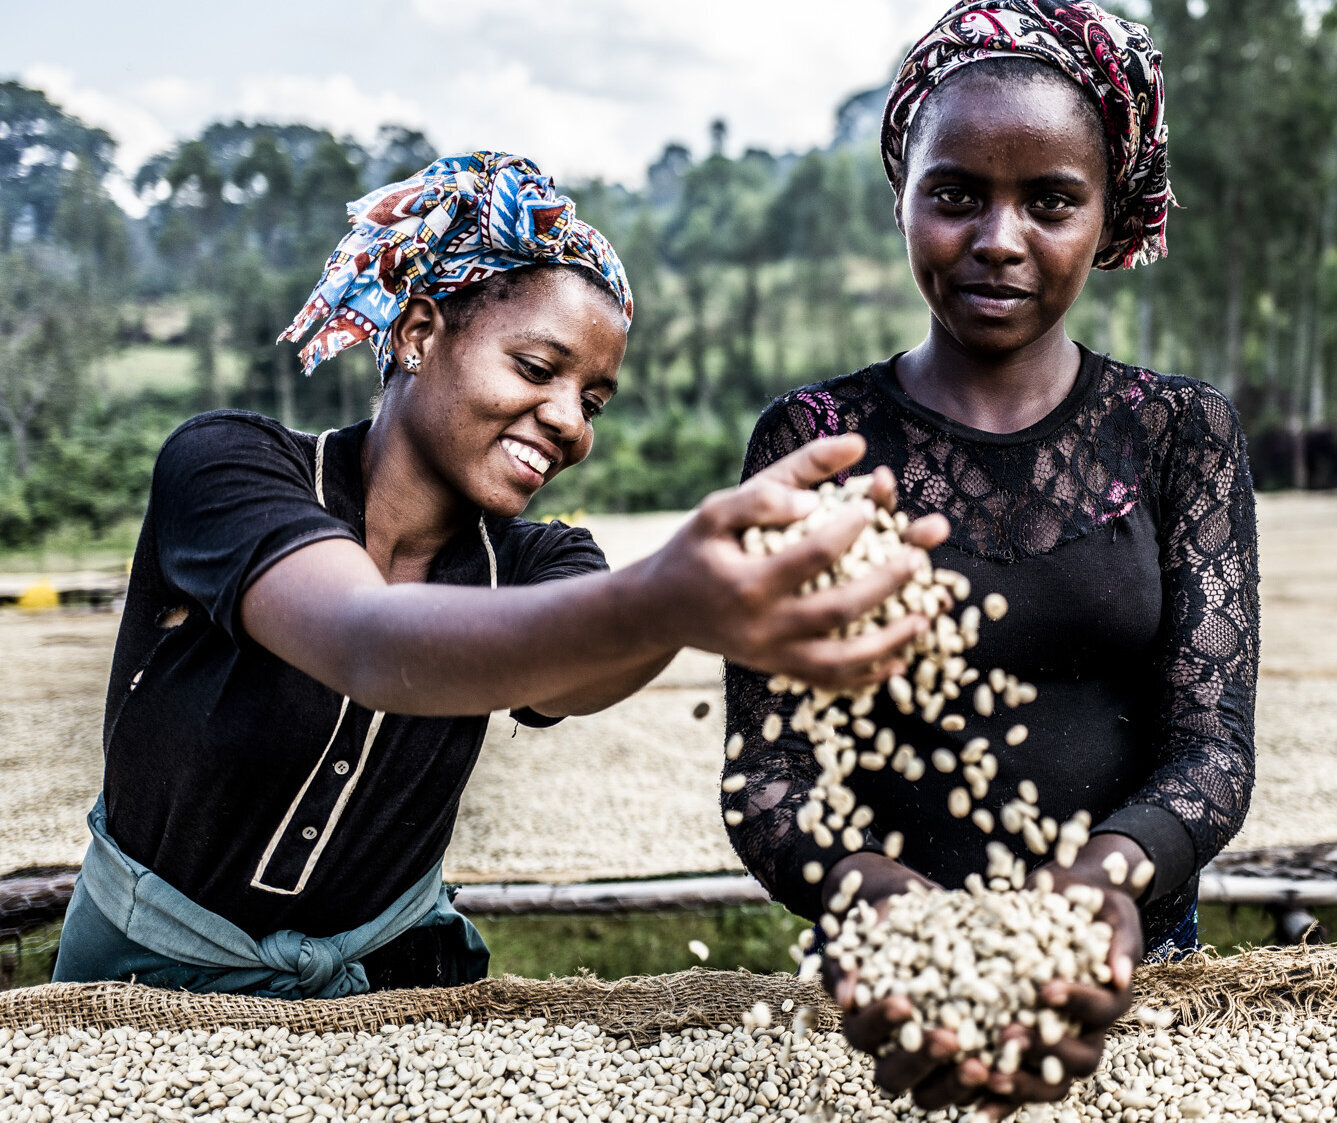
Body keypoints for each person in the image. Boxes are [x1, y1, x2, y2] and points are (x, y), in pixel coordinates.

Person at [54, 152, 946, 999]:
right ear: (416, 333)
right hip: (141, 976)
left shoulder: (536, 561)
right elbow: (365, 639)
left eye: (592, 400)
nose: (567, 421)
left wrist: (695, 603)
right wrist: (665, 594)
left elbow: (579, 670)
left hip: (394, 985)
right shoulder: (228, 467)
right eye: (536, 368)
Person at [721, 1, 1259, 1111]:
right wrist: (873, 897)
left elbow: (1213, 750)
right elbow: (769, 774)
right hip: (887, 972)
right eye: (956, 193)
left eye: (1051, 200)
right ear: (904, 197)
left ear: (1107, 217)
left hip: (1129, 962)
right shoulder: (814, 443)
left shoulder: (1179, 435)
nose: (999, 237)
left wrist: (1101, 886)